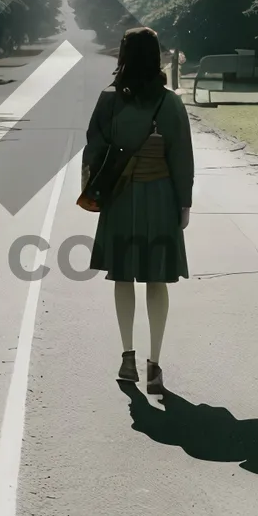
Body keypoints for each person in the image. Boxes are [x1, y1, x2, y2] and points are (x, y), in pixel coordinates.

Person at [81, 26, 194, 395]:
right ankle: (155, 365)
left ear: (124, 56)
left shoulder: (108, 100)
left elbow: (93, 151)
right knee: (157, 280)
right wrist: (184, 202)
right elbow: (181, 158)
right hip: (161, 195)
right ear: (158, 55)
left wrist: (91, 190)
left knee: (123, 276)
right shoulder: (171, 103)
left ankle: (126, 356)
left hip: (120, 198)